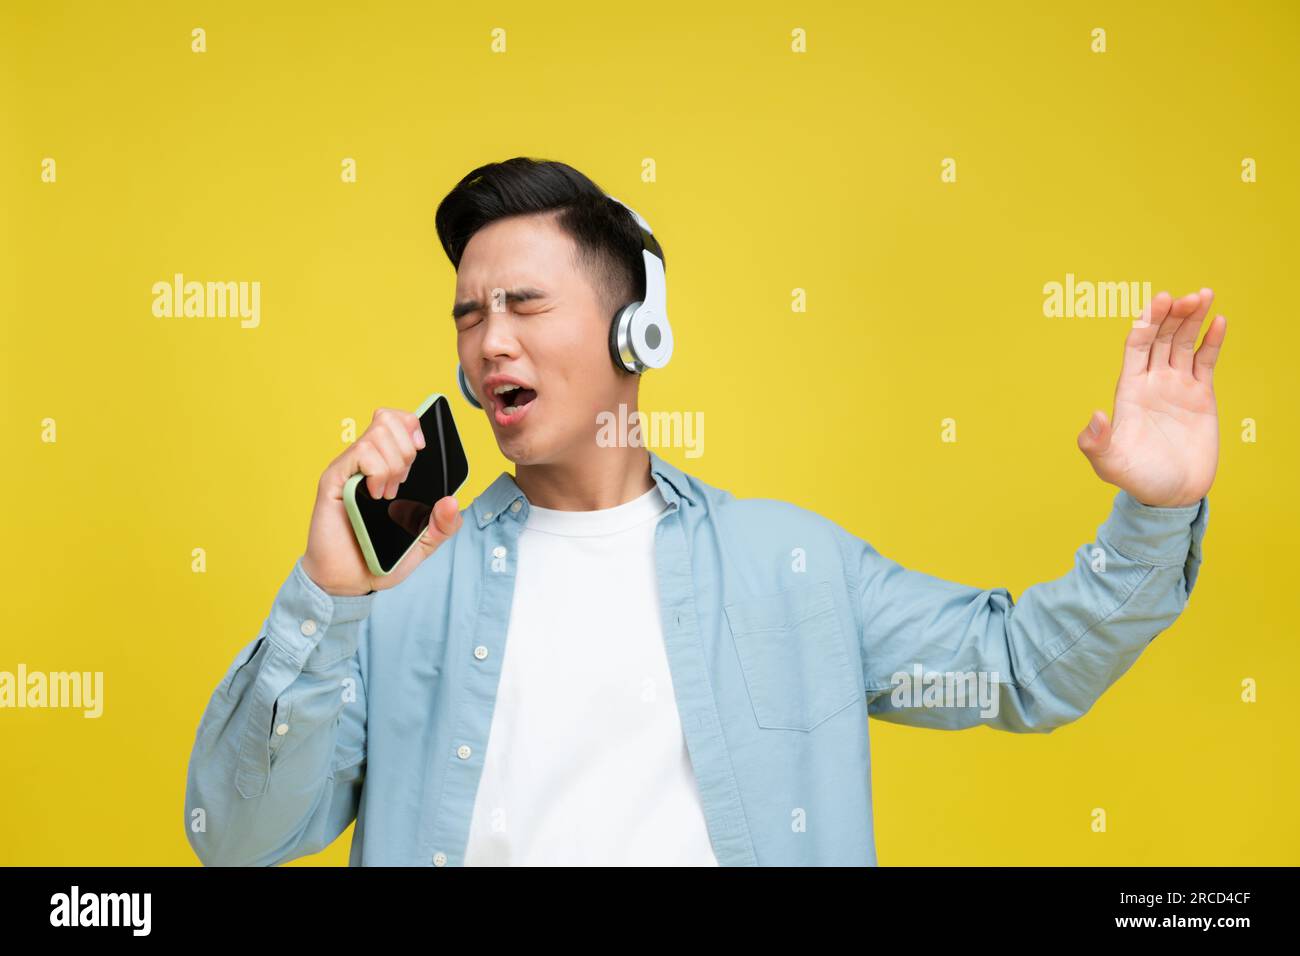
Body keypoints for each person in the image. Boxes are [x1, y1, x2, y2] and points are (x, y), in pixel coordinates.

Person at [184, 157, 1223, 866]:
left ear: (638, 332)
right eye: (469, 314)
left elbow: (1025, 669)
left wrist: (1153, 511)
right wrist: (327, 595)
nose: (487, 342)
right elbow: (233, 834)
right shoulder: (398, 586)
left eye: (525, 304)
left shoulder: (792, 567)